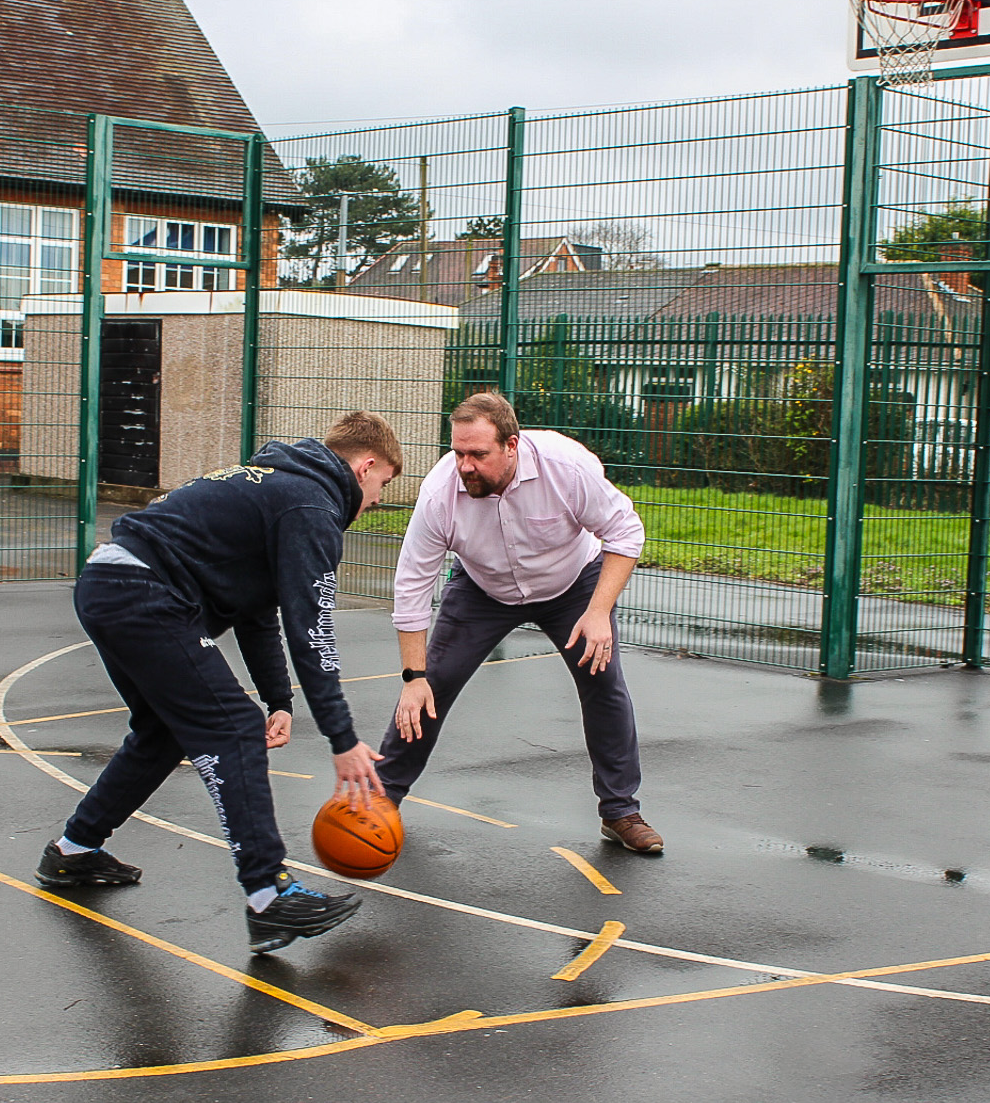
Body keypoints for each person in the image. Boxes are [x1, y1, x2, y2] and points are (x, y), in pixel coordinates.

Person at [35, 411, 403, 953]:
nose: (376, 499)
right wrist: (341, 739)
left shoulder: (283, 487)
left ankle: (73, 851)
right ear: (366, 465)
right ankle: (267, 894)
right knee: (231, 728)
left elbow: (256, 610)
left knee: (163, 732)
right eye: (384, 485)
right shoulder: (312, 504)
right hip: (142, 590)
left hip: (110, 581)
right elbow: (312, 629)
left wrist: (278, 697)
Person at [378, 392, 662, 853]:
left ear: (512, 445)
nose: (465, 466)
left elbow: (626, 531)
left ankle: (620, 811)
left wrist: (598, 612)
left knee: (602, 679)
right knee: (434, 684)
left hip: (572, 584)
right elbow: (411, 585)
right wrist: (413, 676)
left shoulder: (565, 467)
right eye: (458, 453)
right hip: (482, 589)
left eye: (478, 455)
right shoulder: (438, 494)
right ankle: (380, 800)